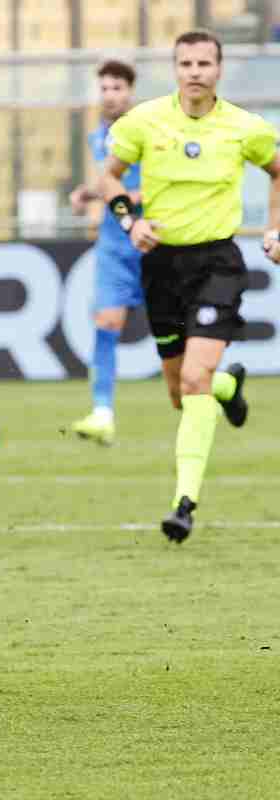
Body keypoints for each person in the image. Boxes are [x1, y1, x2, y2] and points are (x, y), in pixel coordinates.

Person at [100, 29, 280, 542]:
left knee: (195, 380)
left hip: (217, 263)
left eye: (205, 63)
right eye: (186, 63)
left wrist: (273, 230)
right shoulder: (145, 121)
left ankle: (184, 505)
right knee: (183, 392)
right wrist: (130, 221)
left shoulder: (247, 128)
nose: (195, 71)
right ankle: (230, 386)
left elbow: (277, 171)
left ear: (219, 70)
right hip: (161, 266)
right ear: (176, 69)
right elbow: (109, 176)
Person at [68, 60, 143, 446]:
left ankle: (213, 390)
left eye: (117, 88)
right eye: (105, 88)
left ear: (130, 91)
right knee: (107, 323)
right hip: (114, 244)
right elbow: (107, 181)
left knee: (177, 331)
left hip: (152, 241)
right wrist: (86, 192)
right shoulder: (97, 136)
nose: (110, 95)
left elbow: (156, 188)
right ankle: (102, 412)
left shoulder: (148, 130)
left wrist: (123, 197)